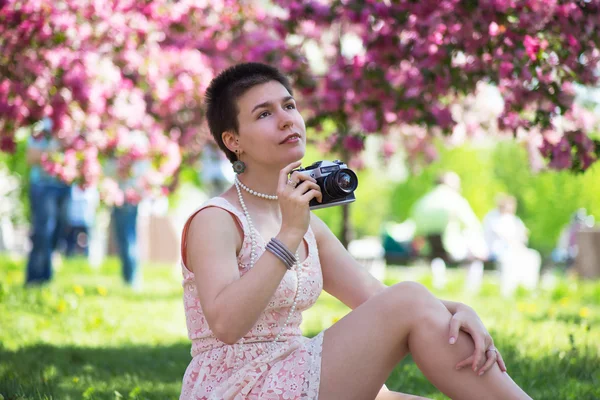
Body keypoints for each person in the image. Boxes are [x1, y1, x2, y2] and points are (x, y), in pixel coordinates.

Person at [179, 63, 531, 399]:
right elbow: (225, 325)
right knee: (408, 296)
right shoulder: (216, 219)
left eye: (289, 105)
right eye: (265, 113)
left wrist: (457, 310)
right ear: (233, 140)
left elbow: (374, 295)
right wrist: (287, 236)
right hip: (240, 387)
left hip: (297, 370)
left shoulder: (305, 222)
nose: (287, 119)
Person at [25, 118, 72, 285]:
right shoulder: (42, 127)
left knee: (58, 232)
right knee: (43, 232)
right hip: (43, 185)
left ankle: (46, 276)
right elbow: (30, 158)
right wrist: (55, 150)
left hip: (64, 185)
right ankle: (36, 279)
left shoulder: (75, 125)